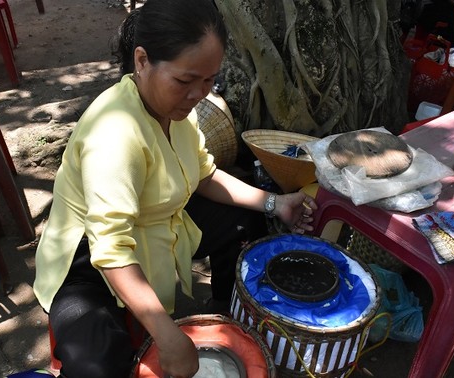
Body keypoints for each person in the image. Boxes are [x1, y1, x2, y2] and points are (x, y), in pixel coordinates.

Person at [33, 0, 318, 377]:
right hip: (90, 263)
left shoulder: (177, 112)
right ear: (142, 61)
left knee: (245, 218)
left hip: (158, 226)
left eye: (209, 80)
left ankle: (225, 317)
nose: (199, 93)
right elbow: (112, 250)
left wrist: (275, 203)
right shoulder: (114, 135)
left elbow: (203, 174)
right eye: (185, 81)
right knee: (95, 365)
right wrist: (168, 338)